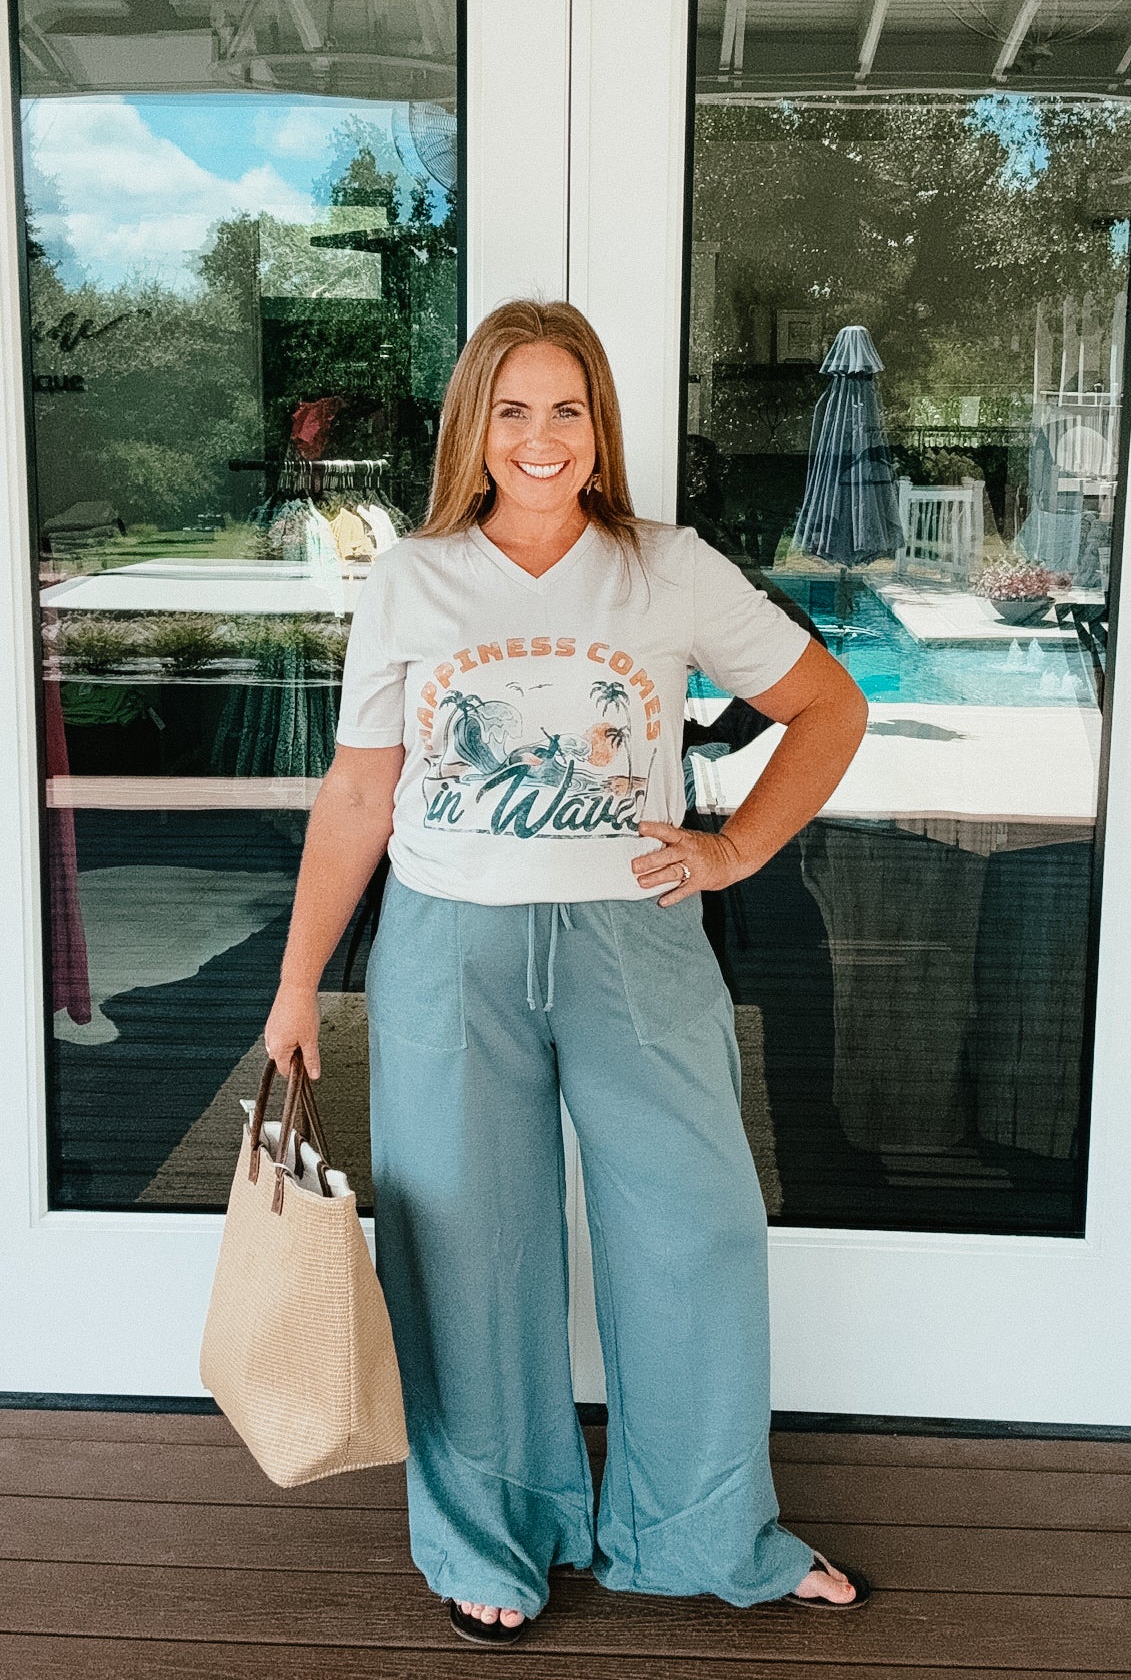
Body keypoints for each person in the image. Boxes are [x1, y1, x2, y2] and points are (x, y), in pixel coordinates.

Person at [264, 299, 872, 1647]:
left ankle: (705, 1532)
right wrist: (298, 982)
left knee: (697, 1233)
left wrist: (733, 849)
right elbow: (359, 791)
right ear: (472, 429)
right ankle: (495, 1538)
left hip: (634, 946)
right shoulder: (413, 579)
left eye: (567, 408)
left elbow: (830, 706)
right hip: (447, 950)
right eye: (512, 410)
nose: (540, 437)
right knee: (464, 1252)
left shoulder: (668, 568)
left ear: (599, 426)